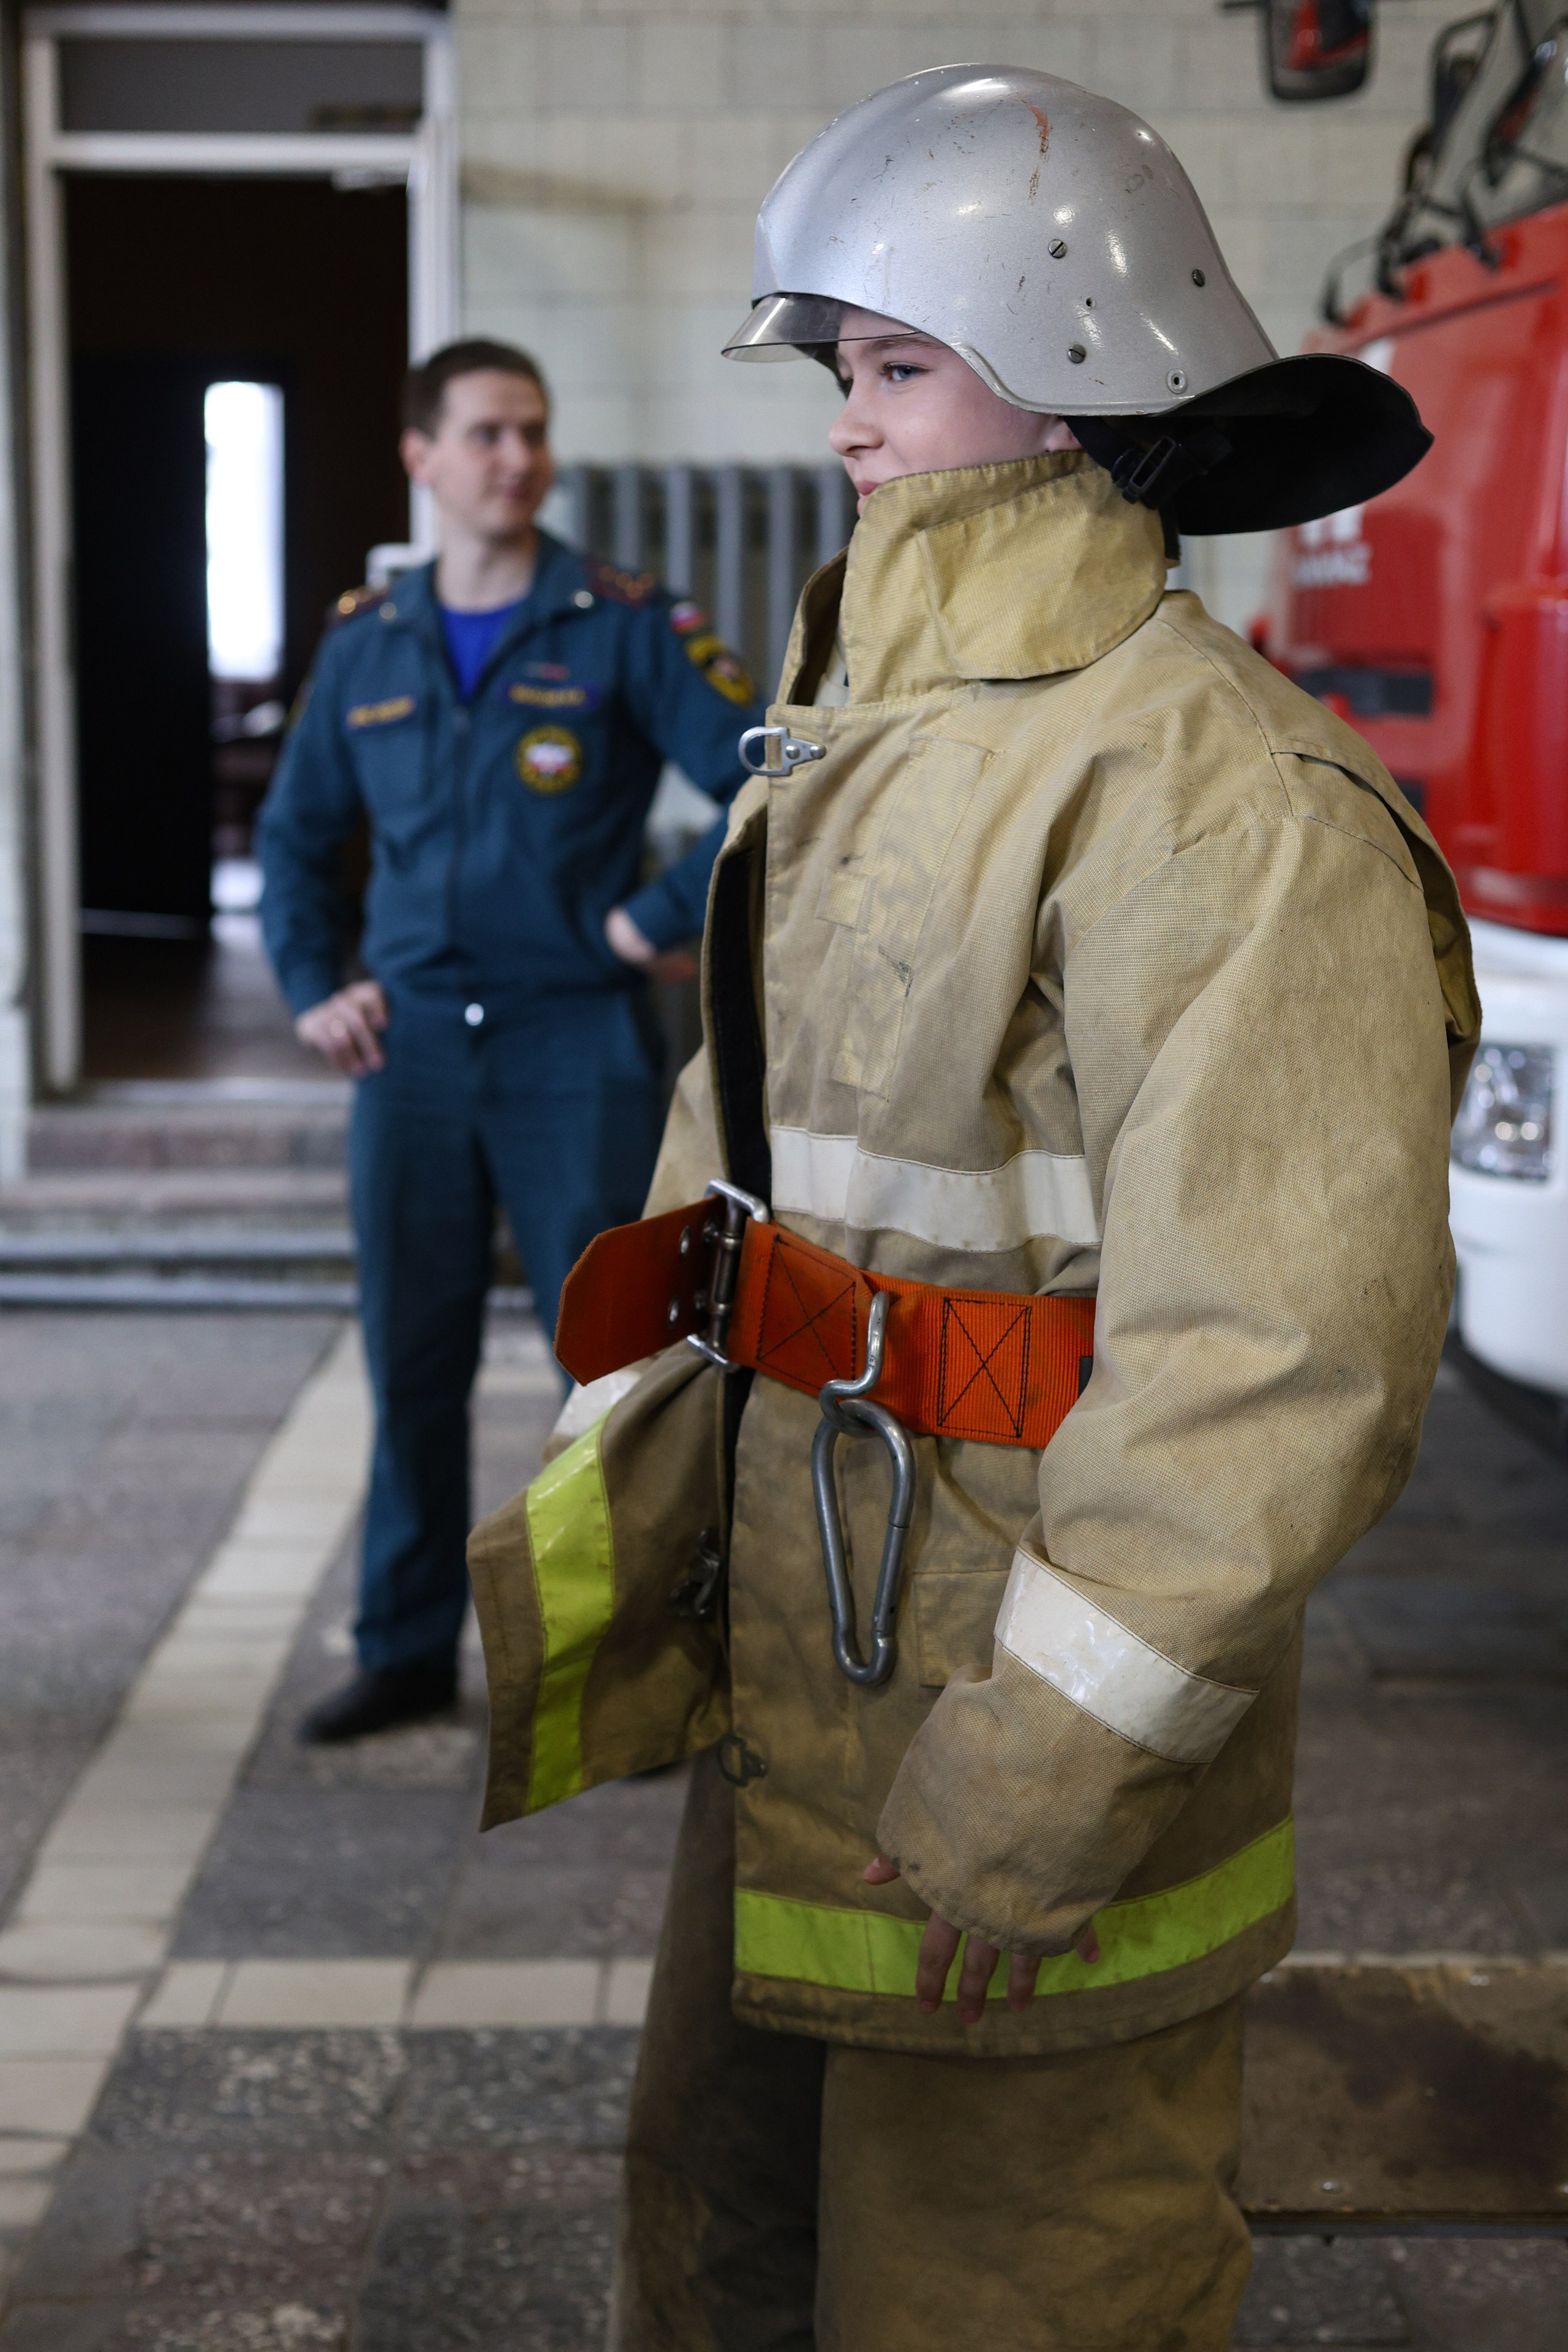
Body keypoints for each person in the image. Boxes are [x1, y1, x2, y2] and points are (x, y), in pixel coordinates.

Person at [469, 68, 1480, 2348]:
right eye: (840, 365)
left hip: (1026, 1746)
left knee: (1017, 2295)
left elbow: (1284, 1364)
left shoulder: (1220, 799)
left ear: (1082, 368)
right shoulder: (872, 741)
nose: (846, 416)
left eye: (896, 363)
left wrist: (1052, 1765)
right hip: (821, 1686)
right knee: (727, 2253)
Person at [256, 337, 764, 1743]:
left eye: (531, 433)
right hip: (409, 1056)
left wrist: (647, 920)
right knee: (407, 1360)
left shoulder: (617, 623)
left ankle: (622, 1675)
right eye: (483, 434)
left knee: (606, 1378)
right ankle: (408, 1648)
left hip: (573, 1045)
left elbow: (762, 773)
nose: (515, 459)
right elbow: (295, 842)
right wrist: (314, 982)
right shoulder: (368, 640)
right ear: (421, 457)